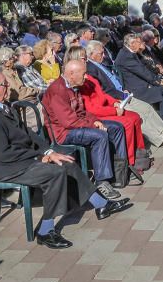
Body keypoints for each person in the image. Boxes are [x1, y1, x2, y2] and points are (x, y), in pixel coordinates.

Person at [0, 68, 129, 249]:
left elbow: (28, 134)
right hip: (9, 168)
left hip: (22, 158)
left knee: (66, 160)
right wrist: (39, 157)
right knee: (55, 173)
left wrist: (48, 151)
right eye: (3, 84)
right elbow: (3, 154)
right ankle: (45, 231)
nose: (7, 87)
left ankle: (101, 204)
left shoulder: (2, 106)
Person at [42, 60, 129, 194]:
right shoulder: (57, 90)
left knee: (117, 127)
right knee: (99, 136)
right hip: (64, 133)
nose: (86, 76)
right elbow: (68, 122)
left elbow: (83, 112)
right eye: (83, 74)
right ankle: (102, 182)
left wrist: (94, 120)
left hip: (77, 125)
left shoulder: (72, 87)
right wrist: (93, 124)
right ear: (71, 74)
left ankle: (119, 173)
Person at [85, 42, 163, 148]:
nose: (104, 55)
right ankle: (160, 139)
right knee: (138, 114)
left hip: (123, 93)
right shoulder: (91, 69)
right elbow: (104, 91)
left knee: (146, 108)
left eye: (103, 52)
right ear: (91, 54)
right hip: (115, 99)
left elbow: (114, 80)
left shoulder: (100, 64)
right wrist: (120, 95)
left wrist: (124, 90)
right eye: (101, 53)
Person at [116, 34, 163, 124]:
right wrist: (158, 82)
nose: (142, 44)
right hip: (136, 89)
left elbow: (144, 71)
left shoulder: (128, 52)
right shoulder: (126, 56)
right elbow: (143, 72)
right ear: (132, 44)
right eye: (139, 42)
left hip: (139, 83)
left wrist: (158, 80)